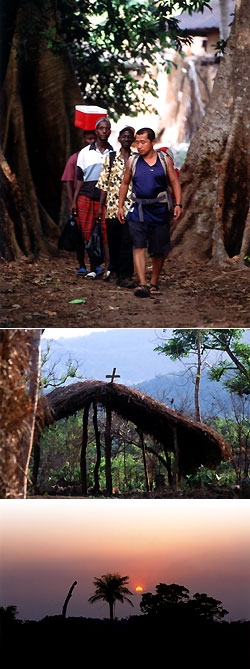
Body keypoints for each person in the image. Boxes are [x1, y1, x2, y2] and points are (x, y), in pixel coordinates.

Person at [118, 127, 182, 297]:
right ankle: (142, 284)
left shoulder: (164, 160)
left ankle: (153, 282)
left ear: (153, 143)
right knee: (138, 246)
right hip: (138, 209)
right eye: (137, 142)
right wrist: (120, 206)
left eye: (143, 142)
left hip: (159, 208)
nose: (139, 146)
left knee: (158, 249)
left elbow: (175, 182)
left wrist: (178, 204)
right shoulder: (132, 161)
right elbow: (125, 183)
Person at [72, 118, 113, 278]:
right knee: (87, 232)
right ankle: (94, 267)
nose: (104, 131)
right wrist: (74, 201)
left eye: (107, 128)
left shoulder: (113, 152)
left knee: (106, 232)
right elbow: (79, 179)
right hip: (86, 197)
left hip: (107, 199)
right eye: (101, 128)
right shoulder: (84, 153)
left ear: (110, 131)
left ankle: (108, 267)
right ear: (96, 131)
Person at [96, 126, 135, 287]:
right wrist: (100, 207)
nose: (126, 139)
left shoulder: (136, 159)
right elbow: (104, 185)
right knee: (113, 241)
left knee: (127, 242)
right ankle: (114, 272)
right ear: (119, 139)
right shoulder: (110, 158)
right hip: (112, 208)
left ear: (132, 140)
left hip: (130, 208)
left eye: (129, 137)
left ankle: (126, 276)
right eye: (123, 136)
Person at [61, 130, 96, 268]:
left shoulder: (101, 157)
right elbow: (68, 181)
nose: (92, 141)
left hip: (95, 199)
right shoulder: (75, 158)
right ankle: (82, 265)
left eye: (94, 139)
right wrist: (72, 202)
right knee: (80, 234)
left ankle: (95, 265)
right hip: (80, 200)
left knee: (95, 233)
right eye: (89, 139)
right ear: (83, 140)